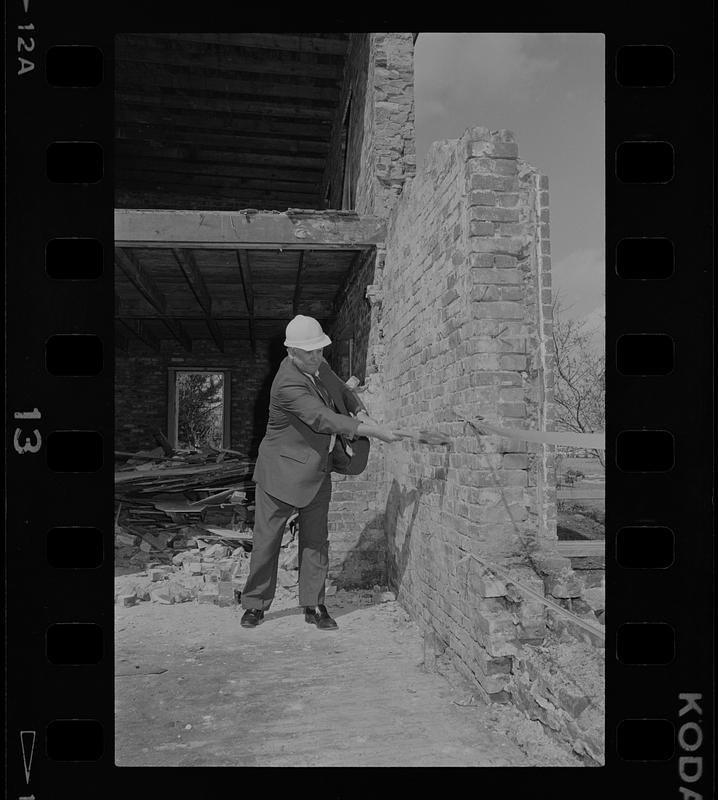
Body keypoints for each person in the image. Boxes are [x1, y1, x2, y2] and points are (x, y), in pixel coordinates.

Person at [240, 315, 400, 630]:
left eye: (320, 350)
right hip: (280, 474)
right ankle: (255, 605)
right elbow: (322, 418)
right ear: (291, 352)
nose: (317, 357)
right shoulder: (287, 383)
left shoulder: (316, 365)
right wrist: (374, 430)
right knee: (266, 543)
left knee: (316, 542)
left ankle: (314, 605)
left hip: (317, 469)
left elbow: (342, 390)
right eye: (310, 352)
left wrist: (360, 409)